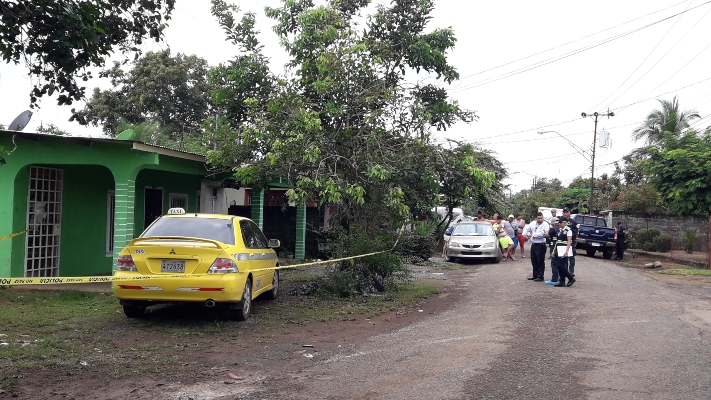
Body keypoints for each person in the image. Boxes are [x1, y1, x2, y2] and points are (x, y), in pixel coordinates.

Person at [523, 212, 549, 281]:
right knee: (533, 260)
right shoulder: (533, 223)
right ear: (536, 218)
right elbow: (526, 229)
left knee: (540, 260)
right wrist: (526, 234)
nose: (540, 219)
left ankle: (540, 276)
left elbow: (542, 234)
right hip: (534, 244)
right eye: (538, 218)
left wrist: (532, 234)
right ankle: (535, 275)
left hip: (541, 244)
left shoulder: (545, 224)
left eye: (541, 218)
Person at [553, 216, 576, 287]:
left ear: (565, 223)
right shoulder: (560, 230)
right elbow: (557, 241)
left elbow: (569, 241)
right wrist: (554, 250)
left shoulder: (568, 230)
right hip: (559, 250)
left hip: (564, 250)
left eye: (560, 222)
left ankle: (570, 278)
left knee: (561, 266)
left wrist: (567, 251)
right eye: (559, 222)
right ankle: (562, 281)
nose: (559, 224)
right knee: (559, 266)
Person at [561, 207, 578, 277]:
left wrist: (569, 237)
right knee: (563, 257)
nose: (565, 213)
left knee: (571, 257)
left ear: (569, 213)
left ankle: (571, 271)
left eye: (566, 212)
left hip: (571, 241)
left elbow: (575, 232)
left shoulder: (573, 222)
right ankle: (565, 271)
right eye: (564, 212)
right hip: (563, 242)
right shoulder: (561, 221)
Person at [546, 217, 560, 284]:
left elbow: (547, 235)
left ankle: (554, 278)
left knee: (554, 263)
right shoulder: (562, 229)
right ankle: (560, 278)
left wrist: (545, 232)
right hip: (561, 248)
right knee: (560, 264)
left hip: (554, 247)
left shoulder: (553, 229)